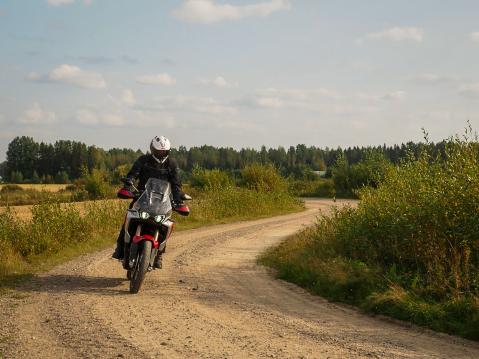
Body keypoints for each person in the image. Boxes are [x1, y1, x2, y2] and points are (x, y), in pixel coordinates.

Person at [112, 135, 184, 268]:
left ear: (168, 151)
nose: (161, 153)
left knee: (165, 225)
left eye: (164, 151)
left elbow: (176, 184)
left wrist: (178, 200)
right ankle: (120, 248)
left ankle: (159, 254)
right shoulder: (143, 160)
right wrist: (128, 184)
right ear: (152, 149)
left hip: (162, 202)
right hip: (141, 197)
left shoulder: (172, 164)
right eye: (158, 151)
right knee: (128, 219)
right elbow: (133, 174)